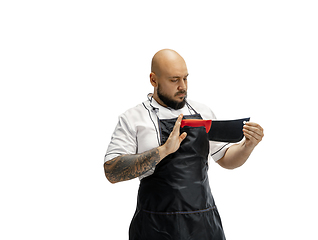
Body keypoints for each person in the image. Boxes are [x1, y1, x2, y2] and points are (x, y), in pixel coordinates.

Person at [104, 49, 264, 240]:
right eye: (174, 80)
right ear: (154, 80)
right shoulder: (133, 119)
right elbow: (112, 172)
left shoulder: (203, 112)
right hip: (154, 228)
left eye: (185, 79)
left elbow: (226, 159)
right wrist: (163, 151)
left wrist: (248, 146)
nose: (182, 87)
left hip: (203, 226)